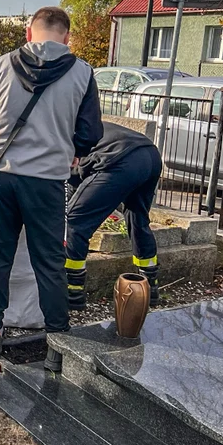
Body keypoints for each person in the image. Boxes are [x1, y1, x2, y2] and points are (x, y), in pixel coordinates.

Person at [0, 6, 102, 358]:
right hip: (47, 181)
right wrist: (72, 149)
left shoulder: (1, 65)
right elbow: (91, 131)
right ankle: (57, 340)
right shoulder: (82, 73)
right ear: (67, 37)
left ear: (29, 33)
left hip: (2, 177)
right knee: (49, 261)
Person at [66, 122, 162, 309]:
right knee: (137, 219)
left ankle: (72, 293)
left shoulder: (59, 136)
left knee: (73, 223)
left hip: (120, 159)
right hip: (150, 154)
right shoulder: (81, 126)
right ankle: (149, 287)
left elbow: (71, 184)